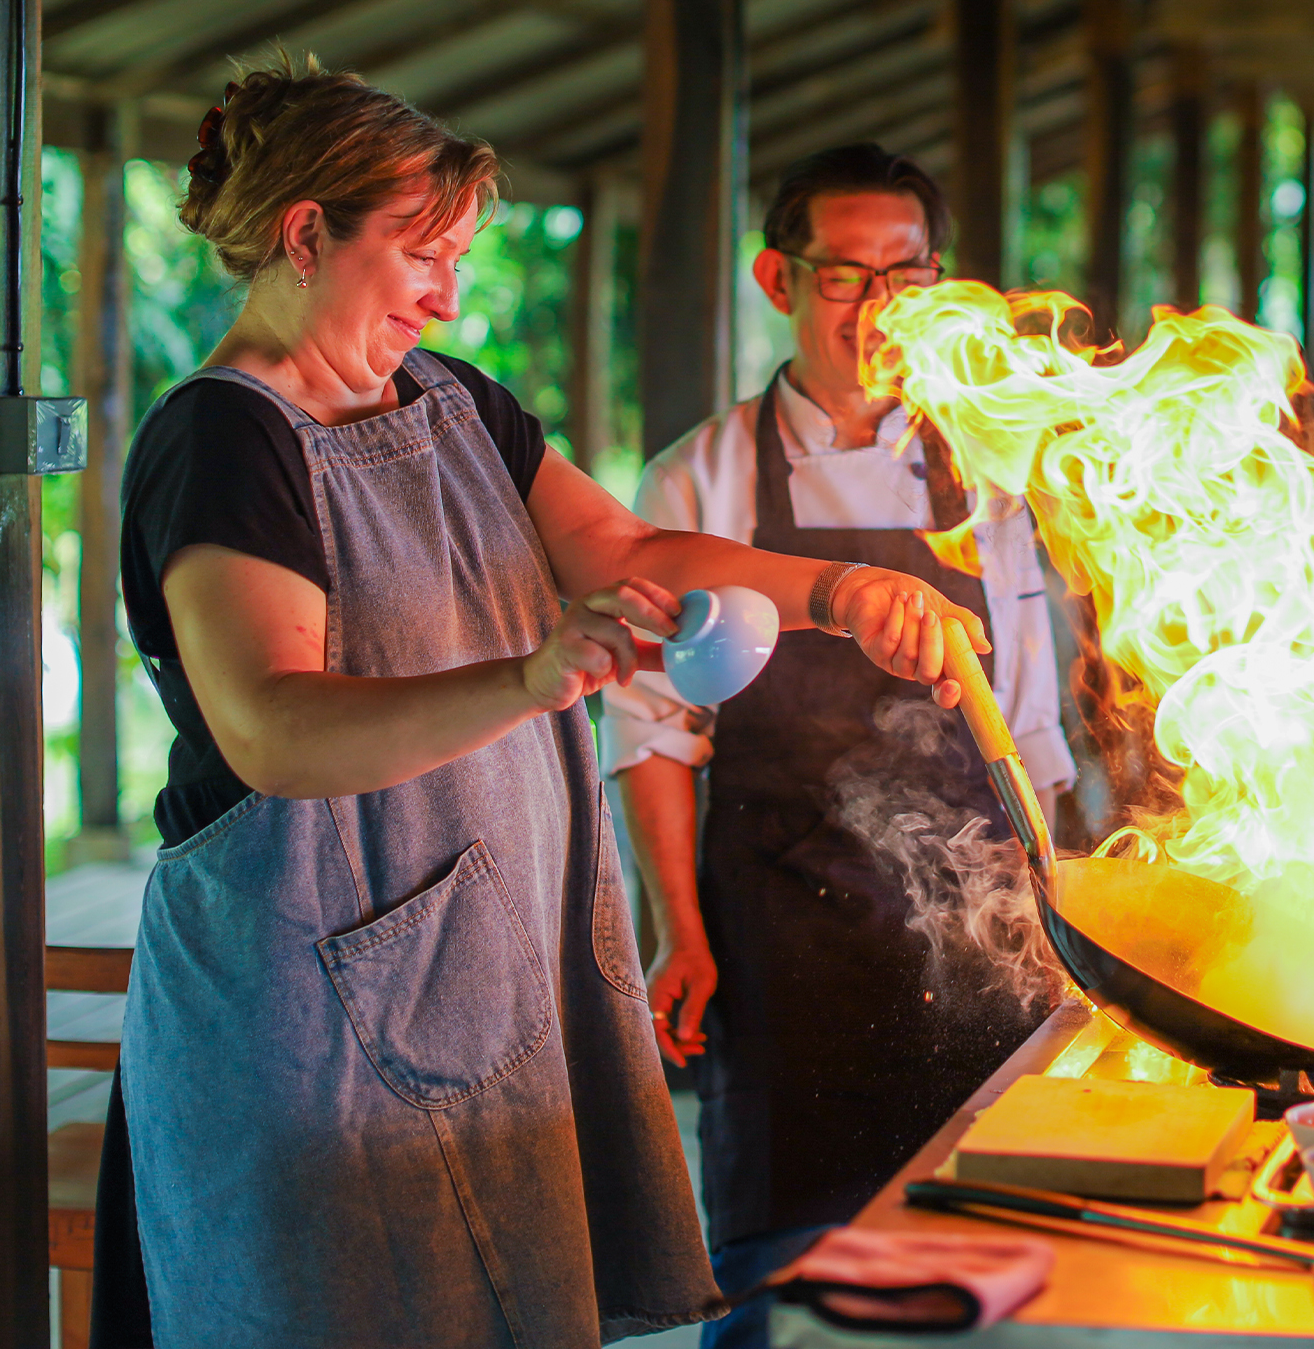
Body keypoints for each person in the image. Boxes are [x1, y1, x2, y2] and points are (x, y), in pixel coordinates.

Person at [99, 66, 987, 1349]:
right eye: (422, 256)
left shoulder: (459, 401)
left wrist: (840, 589)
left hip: (478, 969)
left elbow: (627, 553)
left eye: (458, 257)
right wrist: (525, 680)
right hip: (299, 1012)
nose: (449, 294)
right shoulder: (227, 440)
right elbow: (274, 728)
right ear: (305, 234)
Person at [603, 143, 1076, 1349]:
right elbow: (655, 730)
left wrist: (1069, 916)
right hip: (780, 934)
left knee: (978, 1257)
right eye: (843, 278)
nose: (877, 308)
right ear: (778, 277)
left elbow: (1028, 729)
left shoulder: (985, 482)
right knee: (779, 1273)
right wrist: (678, 927)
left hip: (980, 933)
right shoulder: (699, 477)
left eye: (904, 274)